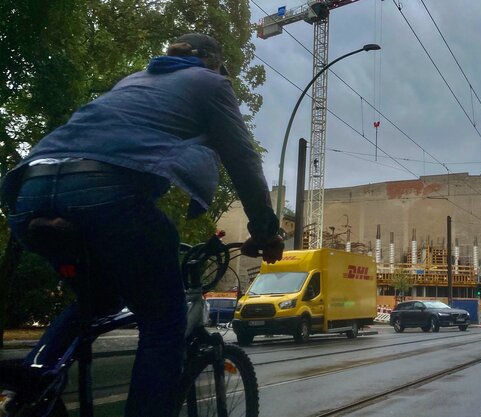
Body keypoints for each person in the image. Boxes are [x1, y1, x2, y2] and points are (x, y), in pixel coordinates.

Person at [0, 33, 283, 417]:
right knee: (164, 322)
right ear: (213, 62)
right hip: (104, 194)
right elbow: (243, 161)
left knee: (95, 302)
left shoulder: (132, 81)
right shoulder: (211, 83)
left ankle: (31, 385)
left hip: (27, 192)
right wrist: (265, 232)